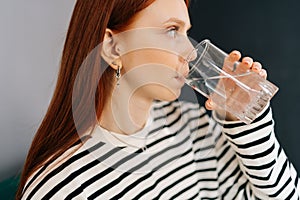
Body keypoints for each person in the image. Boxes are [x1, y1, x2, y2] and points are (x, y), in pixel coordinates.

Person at [16, 0, 300, 199]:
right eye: (171, 30)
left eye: (185, 33)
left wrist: (245, 123)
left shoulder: (191, 125)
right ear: (113, 48)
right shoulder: (62, 188)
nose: (190, 53)